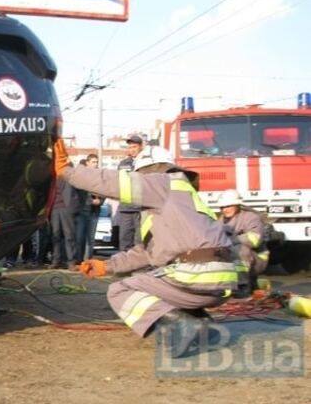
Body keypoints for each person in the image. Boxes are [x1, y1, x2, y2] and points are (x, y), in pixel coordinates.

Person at [54, 140, 244, 358]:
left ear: (150, 170)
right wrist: (106, 266)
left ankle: (183, 326)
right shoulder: (183, 200)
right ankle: (202, 324)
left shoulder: (162, 182)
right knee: (162, 283)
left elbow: (114, 183)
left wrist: (69, 172)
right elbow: (148, 252)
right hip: (221, 283)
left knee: (120, 291)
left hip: (197, 274)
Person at [216, 189, 270, 285]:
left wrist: (231, 240)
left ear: (237, 205)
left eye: (228, 206)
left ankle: (242, 286)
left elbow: (255, 239)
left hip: (256, 259)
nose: (225, 209)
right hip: (233, 257)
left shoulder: (250, 217)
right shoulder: (221, 221)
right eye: (222, 207)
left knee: (240, 250)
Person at [116, 135, 144, 251]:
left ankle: (139, 265)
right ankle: (124, 265)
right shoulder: (123, 164)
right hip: (125, 207)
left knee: (139, 240)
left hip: (141, 208)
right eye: (130, 147)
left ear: (141, 147)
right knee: (124, 239)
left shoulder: (146, 162)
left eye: (135, 147)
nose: (132, 149)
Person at [48, 168, 80, 270]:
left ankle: (71, 261)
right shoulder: (49, 175)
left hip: (67, 208)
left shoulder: (69, 172)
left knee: (69, 235)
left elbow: (79, 190)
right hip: (54, 208)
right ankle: (56, 260)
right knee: (55, 235)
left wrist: (74, 207)